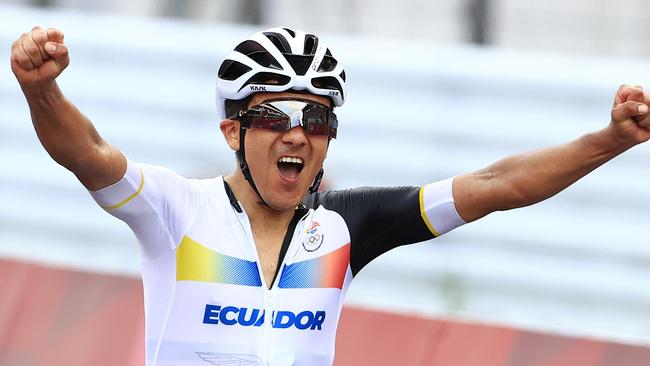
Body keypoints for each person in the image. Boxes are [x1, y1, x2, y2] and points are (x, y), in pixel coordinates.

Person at [10, 25, 650, 366]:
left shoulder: (346, 228)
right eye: (277, 116)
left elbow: (493, 187)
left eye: (317, 121)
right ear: (232, 130)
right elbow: (88, 155)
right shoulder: (177, 209)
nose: (299, 135)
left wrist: (611, 139)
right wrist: (41, 90)